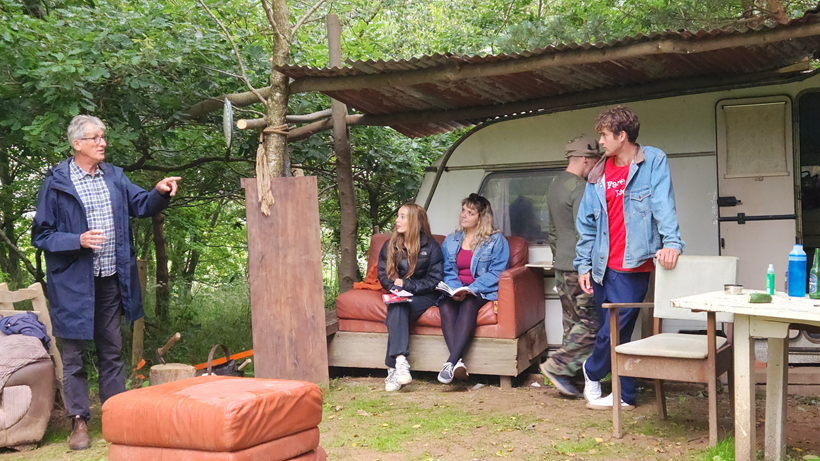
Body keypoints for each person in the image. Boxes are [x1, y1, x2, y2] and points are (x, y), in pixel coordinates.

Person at [31, 115, 180, 450]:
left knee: (112, 350)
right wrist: (77, 240)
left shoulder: (114, 176)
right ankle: (79, 421)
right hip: (72, 285)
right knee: (74, 355)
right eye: (95, 138)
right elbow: (41, 235)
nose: (103, 143)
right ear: (77, 144)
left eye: (103, 137)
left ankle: (116, 416)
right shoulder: (56, 182)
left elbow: (141, 205)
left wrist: (159, 192)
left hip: (111, 279)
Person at [574, 106, 684, 410]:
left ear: (622, 135)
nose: (600, 141)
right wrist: (583, 264)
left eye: (604, 135)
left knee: (617, 326)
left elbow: (663, 204)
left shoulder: (652, 161)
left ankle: (592, 370)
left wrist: (672, 242)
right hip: (601, 265)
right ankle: (625, 394)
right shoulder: (598, 172)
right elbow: (586, 223)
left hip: (633, 263)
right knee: (613, 331)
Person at [539, 136, 602, 398]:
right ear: (585, 159)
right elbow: (583, 230)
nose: (596, 167)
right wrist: (588, 264)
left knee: (572, 324)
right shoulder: (581, 187)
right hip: (580, 268)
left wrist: (560, 259)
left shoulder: (555, 184)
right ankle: (556, 367)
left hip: (562, 266)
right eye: (595, 161)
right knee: (592, 324)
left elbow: (553, 231)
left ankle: (570, 379)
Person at [437, 194, 509, 384]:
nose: (464, 215)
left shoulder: (496, 241)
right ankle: (457, 363)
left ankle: (450, 362)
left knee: (469, 303)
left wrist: (471, 288)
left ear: (481, 217)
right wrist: (455, 289)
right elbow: (447, 270)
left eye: (470, 212)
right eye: (463, 210)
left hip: (480, 290)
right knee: (445, 305)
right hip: (455, 289)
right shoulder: (451, 240)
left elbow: (497, 272)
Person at [378, 203, 444, 392]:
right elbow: (383, 274)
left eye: (402, 216)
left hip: (425, 295)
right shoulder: (390, 245)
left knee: (398, 309)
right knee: (398, 305)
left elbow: (435, 280)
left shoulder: (431, 247)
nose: (396, 220)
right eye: (398, 216)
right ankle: (400, 363)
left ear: (414, 221)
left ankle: (392, 369)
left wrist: (406, 285)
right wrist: (395, 289)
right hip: (400, 293)